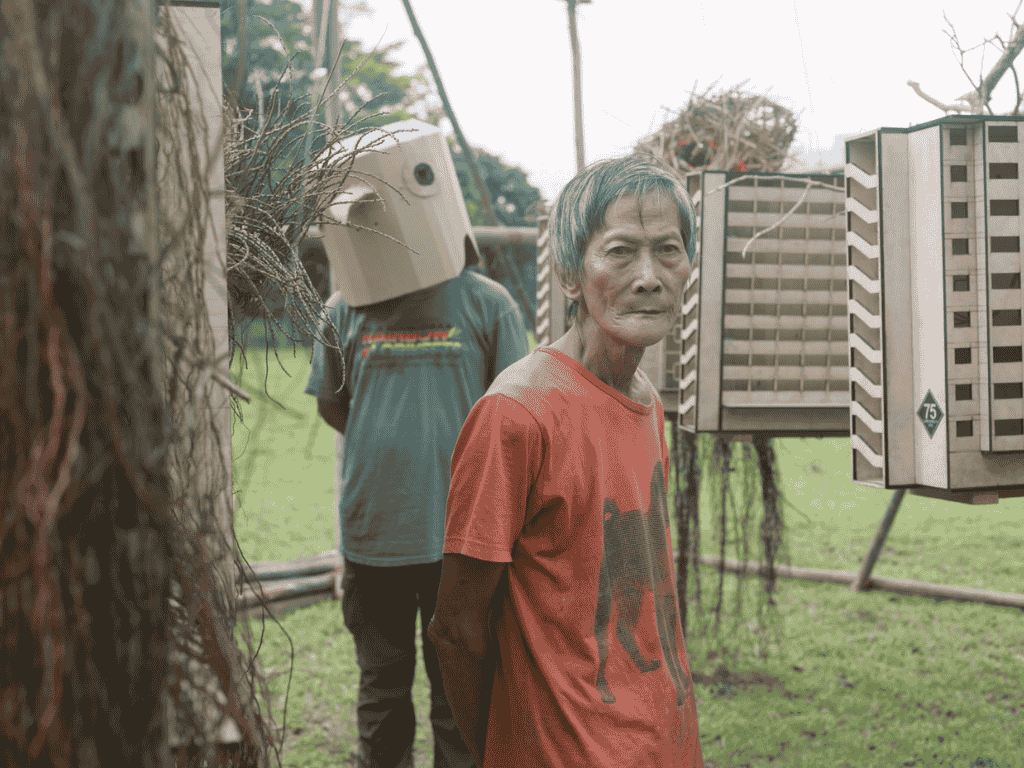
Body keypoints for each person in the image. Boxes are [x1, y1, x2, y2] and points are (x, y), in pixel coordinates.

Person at [428, 155, 705, 768]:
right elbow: (456, 627)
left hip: (660, 740)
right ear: (572, 273)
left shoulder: (644, 401)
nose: (649, 276)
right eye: (620, 251)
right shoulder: (516, 414)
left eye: (668, 249)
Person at [306, 245, 530, 768]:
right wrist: (388, 444)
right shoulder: (344, 307)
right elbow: (332, 403)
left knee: (459, 698)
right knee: (382, 693)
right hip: (372, 537)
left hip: (465, 541)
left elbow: (516, 414)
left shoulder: (489, 303)